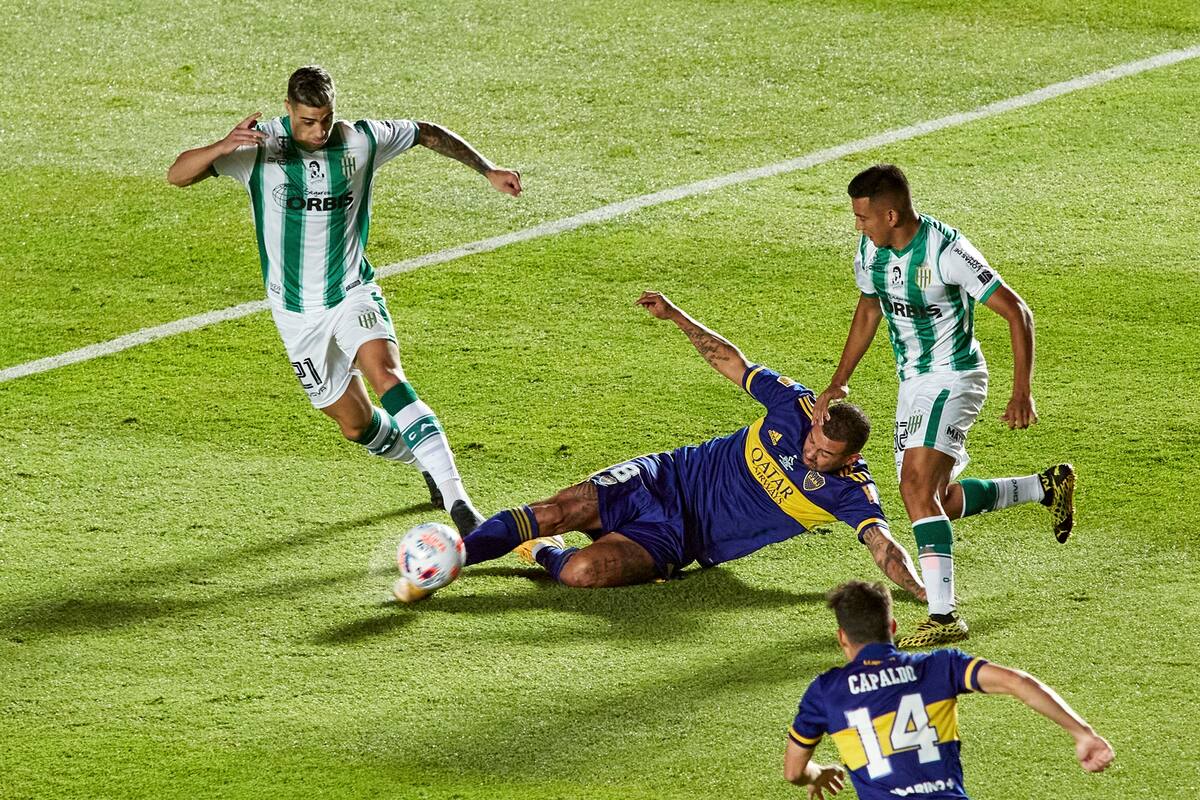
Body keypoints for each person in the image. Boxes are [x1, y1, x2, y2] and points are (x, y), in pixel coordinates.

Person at [167, 65, 522, 535]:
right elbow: (177, 175)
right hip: (296, 314)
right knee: (355, 425)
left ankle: (459, 501)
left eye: (326, 119)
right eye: (307, 121)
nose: (318, 132)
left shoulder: (361, 140)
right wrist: (221, 146)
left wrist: (488, 169)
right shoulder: (258, 147)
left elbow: (426, 132)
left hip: (351, 290)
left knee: (386, 374)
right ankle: (424, 460)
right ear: (288, 109)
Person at [394, 291, 927, 603]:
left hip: (676, 538)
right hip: (662, 476)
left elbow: (883, 545)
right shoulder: (798, 407)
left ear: (849, 459)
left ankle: (540, 551)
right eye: (811, 442)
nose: (810, 453)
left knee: (581, 573)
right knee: (555, 510)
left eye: (823, 456)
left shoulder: (852, 492)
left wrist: (928, 591)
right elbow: (731, 361)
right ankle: (457, 559)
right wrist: (676, 316)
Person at [812, 164, 1075, 648]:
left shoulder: (947, 251)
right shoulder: (870, 251)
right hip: (912, 384)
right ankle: (1044, 486)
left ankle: (944, 615)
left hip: (955, 376)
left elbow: (1017, 311)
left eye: (863, 217)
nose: (858, 226)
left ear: (891, 215)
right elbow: (869, 308)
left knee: (915, 488)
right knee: (937, 500)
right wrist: (838, 381)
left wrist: (1022, 391)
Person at [784, 580, 1114, 799]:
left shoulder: (825, 691)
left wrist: (816, 774)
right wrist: (1082, 733)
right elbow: (1018, 682)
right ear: (893, 627)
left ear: (842, 637)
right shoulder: (941, 667)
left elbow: (793, 771)